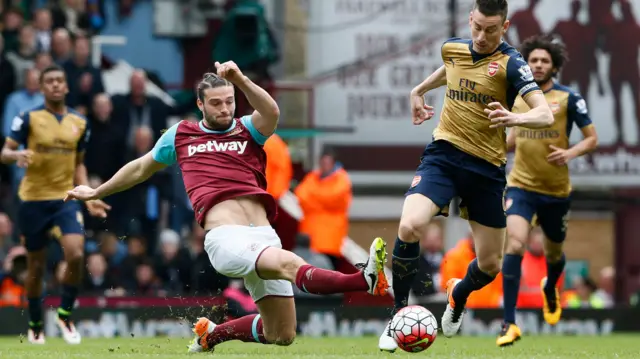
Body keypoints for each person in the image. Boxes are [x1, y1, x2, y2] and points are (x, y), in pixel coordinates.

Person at [64, 61, 389, 352]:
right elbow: (140, 167)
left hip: (264, 234)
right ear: (200, 104)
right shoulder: (181, 135)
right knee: (291, 263)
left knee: (282, 333)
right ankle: (364, 279)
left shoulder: (247, 129)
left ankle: (212, 335)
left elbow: (272, 113)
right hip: (226, 239)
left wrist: (241, 79)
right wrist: (95, 192)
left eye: (229, 101)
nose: (224, 109)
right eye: (216, 103)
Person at [378, 0, 554, 351]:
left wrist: (514, 118)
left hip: (486, 170)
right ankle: (397, 316)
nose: (481, 35)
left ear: (503, 28)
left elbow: (545, 114)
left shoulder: (512, 64)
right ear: (470, 18)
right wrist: (419, 89)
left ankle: (458, 295)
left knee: (490, 264)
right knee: (410, 226)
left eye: (491, 30)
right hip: (443, 156)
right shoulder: (453, 48)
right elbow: (450, 68)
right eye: (477, 27)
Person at [497, 34, 598, 347]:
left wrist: (570, 153)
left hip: (555, 190)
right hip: (521, 185)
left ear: (554, 66)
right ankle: (509, 322)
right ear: (527, 64)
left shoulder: (568, 99)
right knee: (514, 245)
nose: (538, 65)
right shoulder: (517, 98)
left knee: (554, 254)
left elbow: (591, 138)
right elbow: (514, 138)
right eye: (533, 60)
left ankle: (551, 286)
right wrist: (496, 148)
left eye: (544, 61)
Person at [0, 64, 110, 345]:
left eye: (60, 81)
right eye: (49, 81)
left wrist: (90, 196)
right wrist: (17, 155)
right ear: (41, 86)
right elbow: (4, 152)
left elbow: (79, 165)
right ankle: (36, 322)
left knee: (75, 254)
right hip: (32, 200)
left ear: (67, 86)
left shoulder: (80, 123)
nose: (56, 85)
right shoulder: (28, 118)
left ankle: (64, 315)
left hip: (65, 198)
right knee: (36, 267)